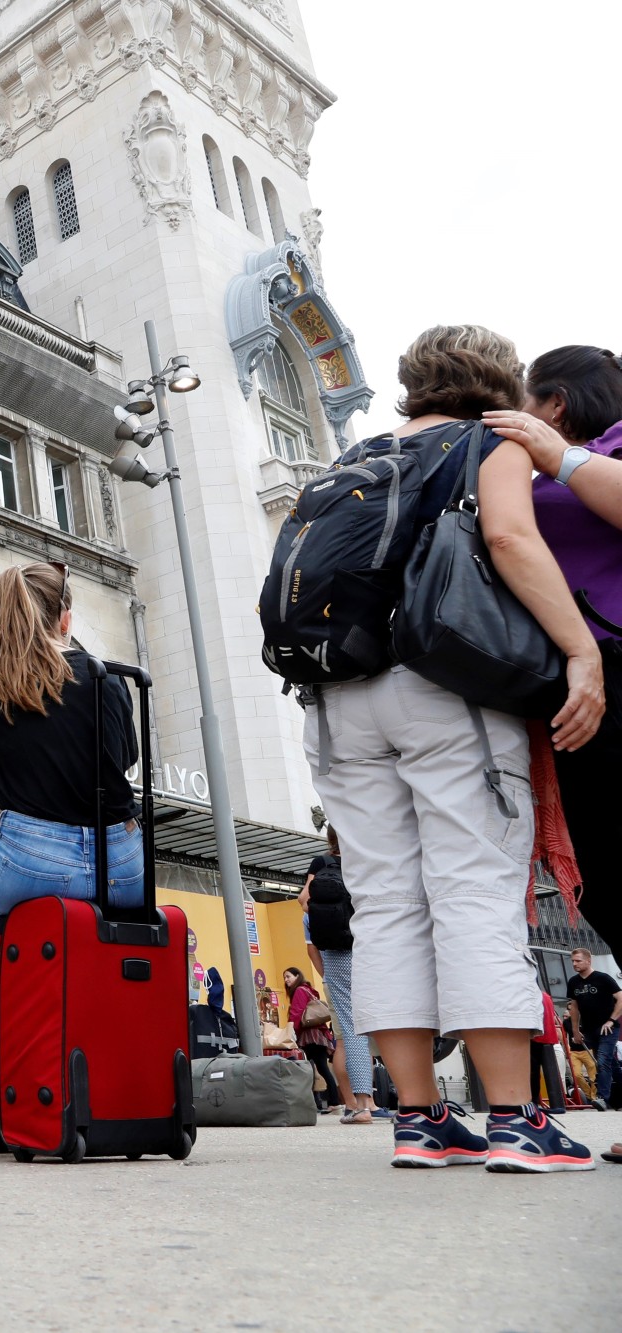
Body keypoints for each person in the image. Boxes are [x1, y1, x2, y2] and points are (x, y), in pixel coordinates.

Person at [305, 326, 600, 1173]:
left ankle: (422, 1121)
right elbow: (510, 539)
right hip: (444, 689)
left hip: (335, 701)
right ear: (500, 381)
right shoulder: (487, 439)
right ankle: (515, 1117)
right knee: (473, 886)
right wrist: (579, 650)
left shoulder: (352, 457)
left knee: (387, 901)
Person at [0, 564, 140, 1159]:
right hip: (119, 859)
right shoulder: (104, 679)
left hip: (30, 856)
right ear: (66, 620)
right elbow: (122, 758)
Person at [483, 348, 622, 959]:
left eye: (526, 404)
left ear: (555, 405)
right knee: (599, 866)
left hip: (609, 667)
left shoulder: (600, 452)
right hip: (568, 687)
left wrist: (559, 456)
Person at [302, 831, 379, 1124]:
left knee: (351, 1027)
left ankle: (360, 1105)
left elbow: (304, 901)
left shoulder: (322, 863)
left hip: (339, 950)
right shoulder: (371, 858)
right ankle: (417, 1101)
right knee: (395, 1023)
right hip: (376, 947)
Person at [563, 948, 620, 1109]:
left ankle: (602, 1098)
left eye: (578, 960)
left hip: (608, 1028)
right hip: (589, 1028)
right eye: (573, 961)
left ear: (589, 961)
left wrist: (611, 1020)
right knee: (610, 1063)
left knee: (602, 1061)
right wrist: (575, 1031)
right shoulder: (573, 982)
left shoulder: (603, 978)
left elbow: (621, 998)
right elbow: (574, 1007)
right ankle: (618, 1097)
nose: (575, 964)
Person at [285, 967, 341, 1114]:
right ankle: (331, 1102)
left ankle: (327, 1102)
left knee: (309, 1068)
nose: (286, 980)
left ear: (297, 976)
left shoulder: (299, 991)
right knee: (320, 1068)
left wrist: (291, 1029)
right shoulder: (309, 990)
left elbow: (296, 1012)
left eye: (288, 976)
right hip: (319, 1034)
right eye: (285, 978)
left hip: (310, 1036)